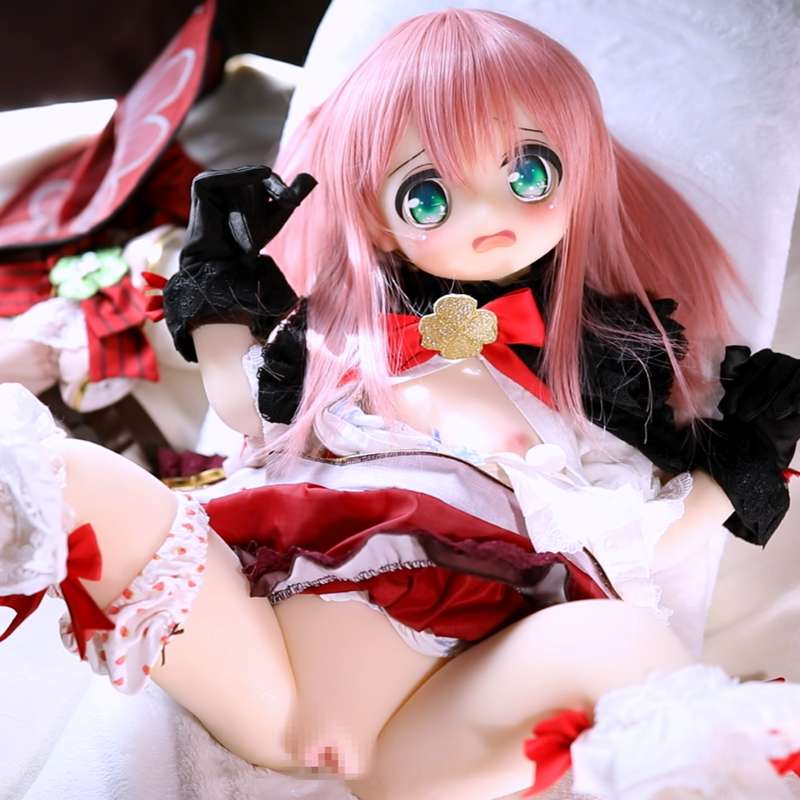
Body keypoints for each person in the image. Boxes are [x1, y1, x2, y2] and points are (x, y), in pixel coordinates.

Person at [3, 10, 800, 799]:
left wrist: (748, 455)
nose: (489, 217)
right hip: (260, 655)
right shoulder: (340, 346)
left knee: (623, 641)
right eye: (427, 196)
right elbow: (242, 409)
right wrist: (218, 290)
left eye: (529, 175)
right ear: (378, 223)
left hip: (436, 713)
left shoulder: (598, 385)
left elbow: (653, 540)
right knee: (64, 472)